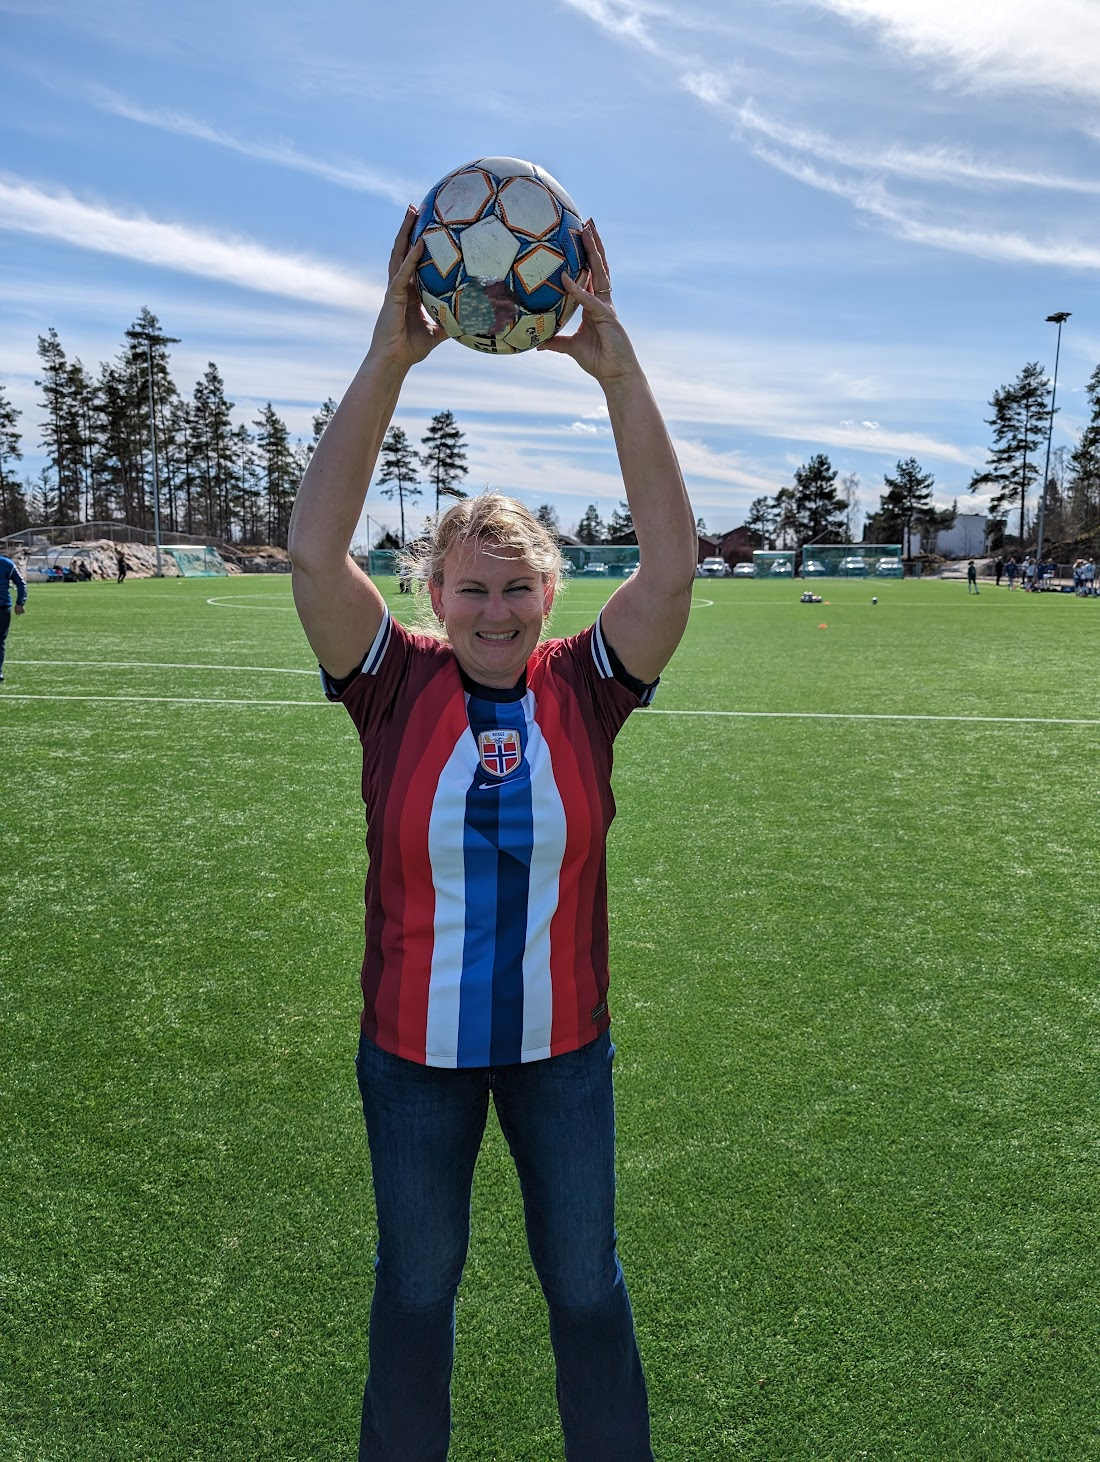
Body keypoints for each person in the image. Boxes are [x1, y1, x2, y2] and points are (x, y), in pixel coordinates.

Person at [288, 210, 697, 1462]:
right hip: (410, 1058)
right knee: (415, 1292)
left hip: (562, 1054)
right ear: (434, 596)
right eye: (471, 587)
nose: (496, 608)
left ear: (548, 595)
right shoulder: (390, 683)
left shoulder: (585, 685)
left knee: (584, 1287)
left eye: (517, 586)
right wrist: (388, 357)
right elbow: (312, 548)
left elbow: (671, 567)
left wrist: (619, 374)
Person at [0, 553, 27, 682]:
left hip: (2, 607)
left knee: (0, 640)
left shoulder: (6, 564)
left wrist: (20, 602)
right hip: (3, 607)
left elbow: (21, 583)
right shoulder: (7, 563)